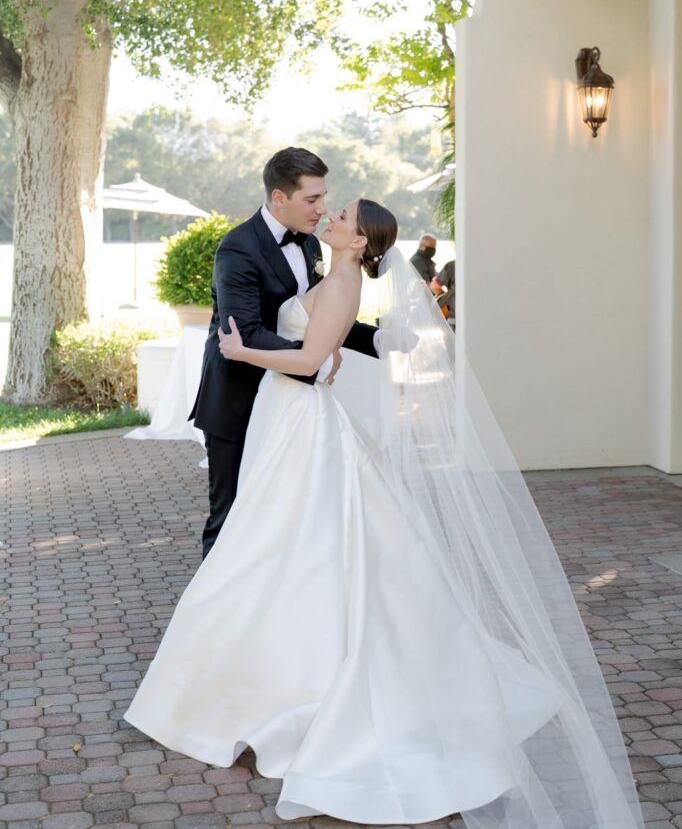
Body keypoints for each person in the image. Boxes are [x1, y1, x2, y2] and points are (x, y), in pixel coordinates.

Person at [125, 199, 644, 829]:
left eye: (341, 214)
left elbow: (310, 361)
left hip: (303, 425)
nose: (332, 216)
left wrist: (243, 352)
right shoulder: (327, 269)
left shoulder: (341, 282)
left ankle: (266, 679)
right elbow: (321, 345)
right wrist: (312, 344)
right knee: (272, 546)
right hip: (287, 419)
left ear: (360, 239)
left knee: (279, 546)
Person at [188, 147, 378, 559]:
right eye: (312, 199)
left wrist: (379, 341)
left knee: (280, 520)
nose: (322, 209)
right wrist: (317, 358)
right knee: (231, 518)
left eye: (324, 198)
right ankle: (213, 619)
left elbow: (319, 314)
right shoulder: (237, 249)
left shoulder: (309, 245)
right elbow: (245, 332)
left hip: (287, 408)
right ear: (279, 197)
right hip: (238, 399)